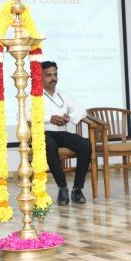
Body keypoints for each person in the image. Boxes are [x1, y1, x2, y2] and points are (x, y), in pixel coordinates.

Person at [40, 61, 92, 206]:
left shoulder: (62, 94)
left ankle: (77, 189)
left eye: (55, 75)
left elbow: (81, 110)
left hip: (61, 133)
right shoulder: (34, 95)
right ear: (40, 76)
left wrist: (69, 117)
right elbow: (25, 115)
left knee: (85, 144)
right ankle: (62, 188)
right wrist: (49, 118)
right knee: (49, 144)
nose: (53, 78)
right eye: (48, 75)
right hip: (43, 134)